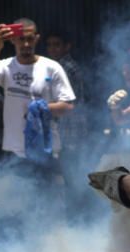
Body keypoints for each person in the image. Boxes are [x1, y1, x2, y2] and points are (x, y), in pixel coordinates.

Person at [0, 18, 75, 166]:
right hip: (14, 151)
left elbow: (68, 106)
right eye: (21, 39)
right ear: (13, 40)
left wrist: (42, 107)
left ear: (37, 39)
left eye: (30, 39)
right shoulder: (5, 67)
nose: (26, 44)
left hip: (46, 151)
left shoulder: (52, 67)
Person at [44, 28, 88, 156]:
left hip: (70, 127)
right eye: (49, 45)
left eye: (57, 44)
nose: (52, 48)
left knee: (68, 166)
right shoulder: (55, 67)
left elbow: (68, 102)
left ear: (67, 47)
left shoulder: (66, 68)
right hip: (64, 127)